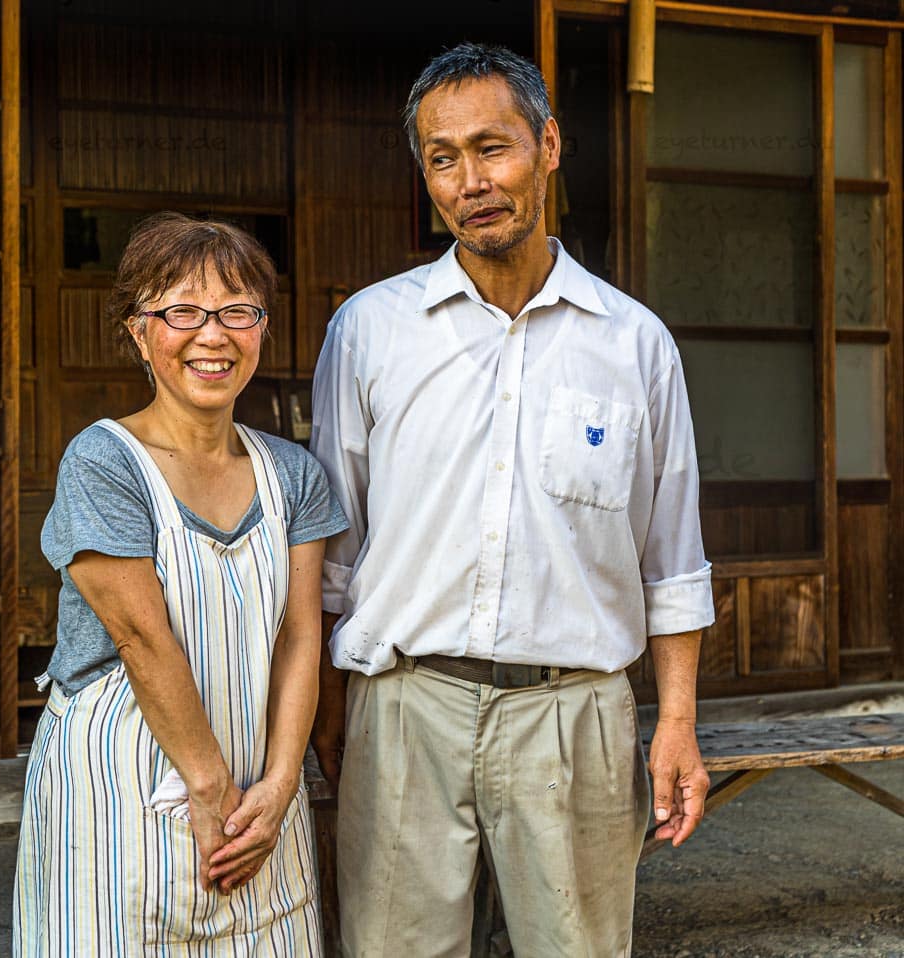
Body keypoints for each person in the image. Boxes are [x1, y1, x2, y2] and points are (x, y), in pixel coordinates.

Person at [310, 43, 715, 957]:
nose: (470, 181)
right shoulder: (370, 332)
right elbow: (333, 553)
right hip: (406, 707)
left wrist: (678, 725)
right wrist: (332, 718)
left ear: (550, 145)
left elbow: (673, 561)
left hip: (575, 716)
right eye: (442, 158)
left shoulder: (635, 345)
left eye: (493, 148)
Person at [14, 212, 347, 955]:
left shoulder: (293, 475)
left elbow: (301, 636)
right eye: (181, 313)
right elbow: (141, 638)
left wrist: (283, 782)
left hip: (261, 789)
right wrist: (207, 788)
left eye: (236, 312)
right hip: (120, 787)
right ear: (138, 332)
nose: (212, 335)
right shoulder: (104, 462)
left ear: (260, 327)